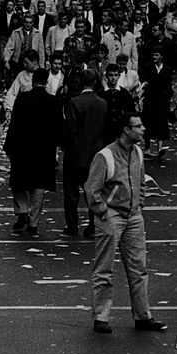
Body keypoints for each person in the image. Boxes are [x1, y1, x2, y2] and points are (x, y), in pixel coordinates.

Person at [86, 113, 167, 334]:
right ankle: (101, 317)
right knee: (104, 268)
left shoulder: (138, 153)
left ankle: (143, 315)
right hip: (112, 216)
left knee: (139, 268)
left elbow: (141, 181)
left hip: (133, 216)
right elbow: (92, 189)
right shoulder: (105, 156)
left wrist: (139, 204)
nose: (143, 129)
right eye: (138, 126)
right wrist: (103, 210)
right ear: (126, 130)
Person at [4, 68, 61, 237]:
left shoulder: (23, 98)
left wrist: (9, 146)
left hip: (23, 148)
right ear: (47, 81)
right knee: (39, 186)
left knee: (19, 182)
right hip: (44, 150)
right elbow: (58, 128)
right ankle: (34, 222)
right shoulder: (53, 101)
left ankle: (22, 212)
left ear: (33, 79)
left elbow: (14, 124)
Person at [62, 70, 108, 238]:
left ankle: (72, 225)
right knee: (93, 191)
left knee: (71, 193)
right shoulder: (102, 104)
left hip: (75, 154)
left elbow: (70, 129)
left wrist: (65, 146)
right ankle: (93, 224)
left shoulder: (74, 102)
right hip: (95, 154)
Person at [139, 48, 173, 158]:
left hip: (162, 101)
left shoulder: (167, 69)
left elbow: (169, 84)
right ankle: (147, 148)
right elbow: (145, 81)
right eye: (153, 55)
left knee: (162, 123)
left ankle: (160, 148)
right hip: (150, 99)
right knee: (148, 123)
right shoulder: (147, 67)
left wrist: (168, 96)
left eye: (157, 55)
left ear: (161, 56)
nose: (154, 57)